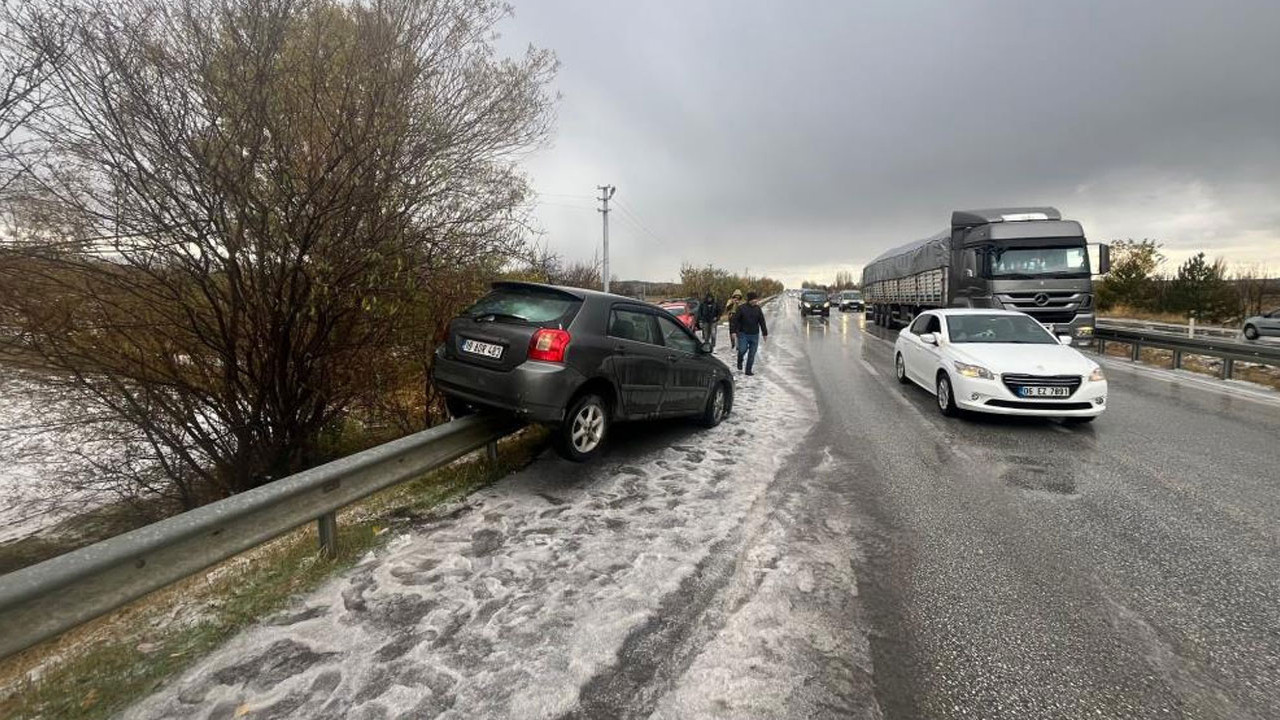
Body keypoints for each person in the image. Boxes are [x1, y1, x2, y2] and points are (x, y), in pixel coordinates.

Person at [730, 291, 768, 375]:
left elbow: (762, 321)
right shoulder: (741, 308)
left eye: (756, 300)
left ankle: (748, 370)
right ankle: (740, 360)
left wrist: (765, 333)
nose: (755, 301)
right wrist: (733, 332)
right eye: (754, 300)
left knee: (752, 353)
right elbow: (734, 320)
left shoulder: (758, 309)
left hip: (755, 334)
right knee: (742, 350)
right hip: (743, 334)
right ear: (749, 300)